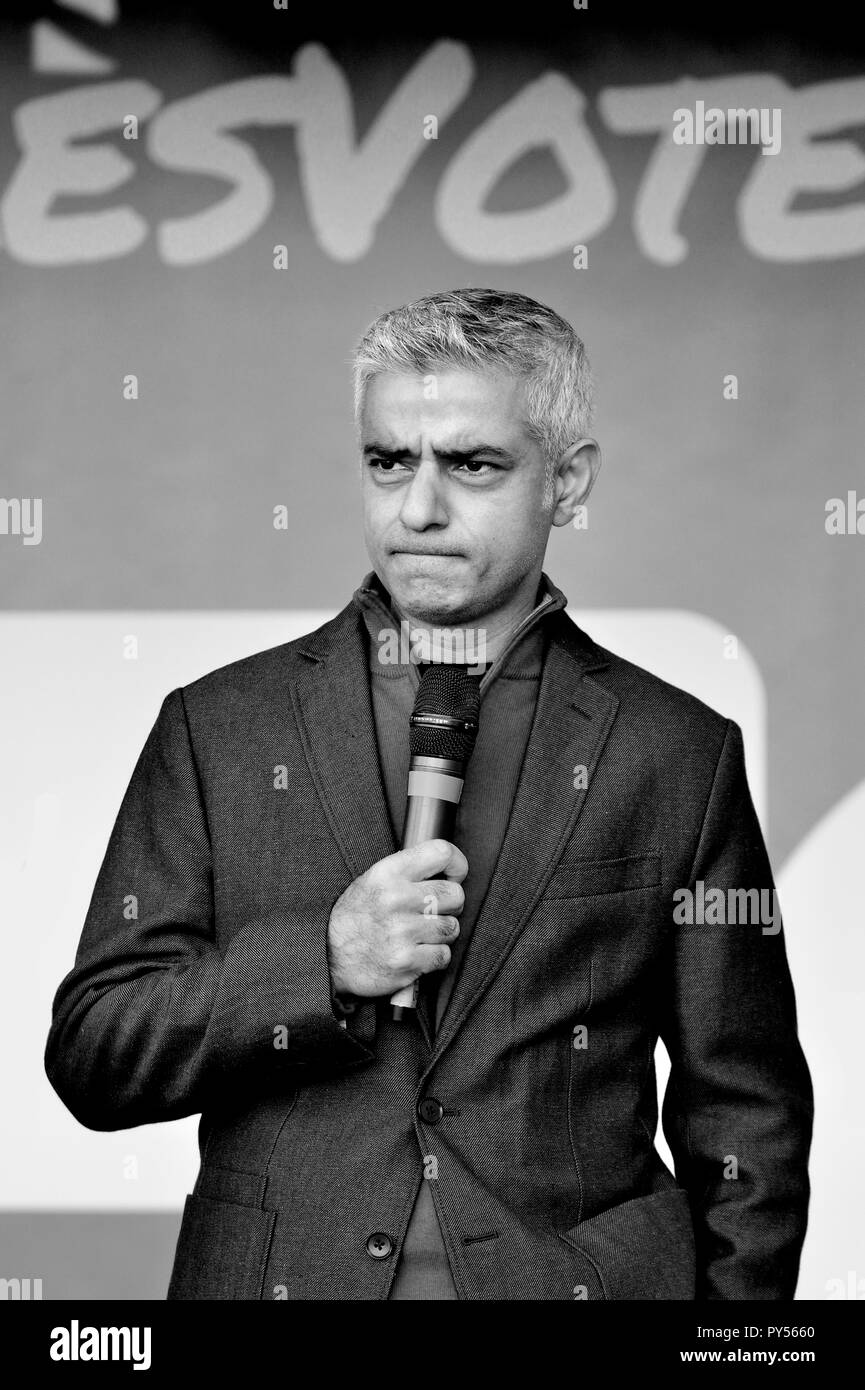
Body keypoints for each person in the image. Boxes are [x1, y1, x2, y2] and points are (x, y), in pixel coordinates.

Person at [45, 287, 813, 1300]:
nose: (417, 507)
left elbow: (744, 1118)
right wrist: (325, 961)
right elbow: (98, 1049)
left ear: (568, 481)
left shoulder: (674, 752)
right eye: (387, 460)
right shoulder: (220, 727)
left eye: (473, 463)